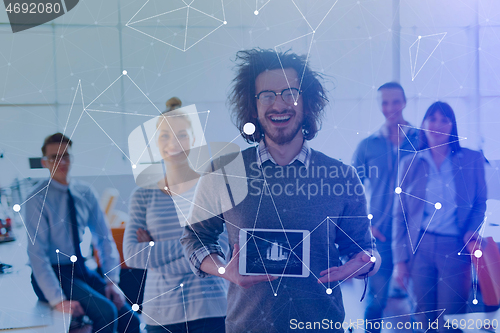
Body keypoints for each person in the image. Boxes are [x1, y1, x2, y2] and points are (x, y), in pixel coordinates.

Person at [180, 48, 381, 332]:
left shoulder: (342, 176)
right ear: (253, 106)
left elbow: (364, 250)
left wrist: (368, 263)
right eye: (267, 95)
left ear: (307, 103)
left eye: (290, 93)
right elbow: (195, 238)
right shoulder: (224, 172)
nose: (280, 104)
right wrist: (224, 270)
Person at [123, 98, 228, 333]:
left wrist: (153, 249)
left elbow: (222, 249)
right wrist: (197, 250)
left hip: (212, 309)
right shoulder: (143, 195)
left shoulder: (212, 187)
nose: (174, 142)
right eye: (165, 135)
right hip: (160, 314)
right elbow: (132, 255)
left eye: (181, 134)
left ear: (194, 139)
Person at [25, 133, 140, 333]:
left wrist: (112, 281)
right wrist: (58, 299)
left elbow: (104, 239)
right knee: (106, 312)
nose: (61, 161)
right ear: (45, 162)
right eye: (54, 157)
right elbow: (37, 255)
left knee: (131, 320)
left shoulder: (85, 192)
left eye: (66, 155)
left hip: (81, 269)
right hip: (54, 273)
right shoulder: (36, 199)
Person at [392, 102, 487, 332]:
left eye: (444, 119)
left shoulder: (471, 160)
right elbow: (400, 214)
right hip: (419, 247)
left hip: (454, 247)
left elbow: (479, 203)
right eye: (431, 119)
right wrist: (399, 262)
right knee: (424, 318)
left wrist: (471, 230)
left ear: (452, 125)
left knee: (451, 319)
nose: (437, 125)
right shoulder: (410, 163)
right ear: (423, 124)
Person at [352, 82, 418, 332]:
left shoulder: (422, 140)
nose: (390, 107)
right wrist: (367, 225)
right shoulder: (367, 146)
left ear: (404, 102)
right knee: (375, 304)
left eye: (395, 101)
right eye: (384, 102)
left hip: (416, 237)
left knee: (423, 306)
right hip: (380, 237)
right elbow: (351, 192)